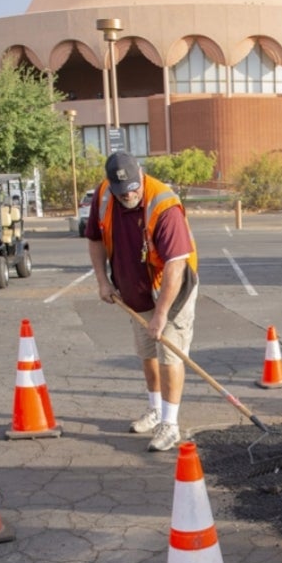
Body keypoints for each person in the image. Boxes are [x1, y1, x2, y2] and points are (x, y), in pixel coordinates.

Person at [85, 151, 200, 452]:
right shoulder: (104, 195)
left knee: (169, 355)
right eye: (122, 191)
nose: (129, 194)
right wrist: (102, 281)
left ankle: (170, 424)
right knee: (146, 352)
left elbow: (176, 264)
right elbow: (95, 239)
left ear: (142, 176)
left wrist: (161, 314)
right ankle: (155, 410)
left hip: (171, 291)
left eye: (134, 187)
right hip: (133, 290)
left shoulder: (164, 205)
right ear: (111, 186)